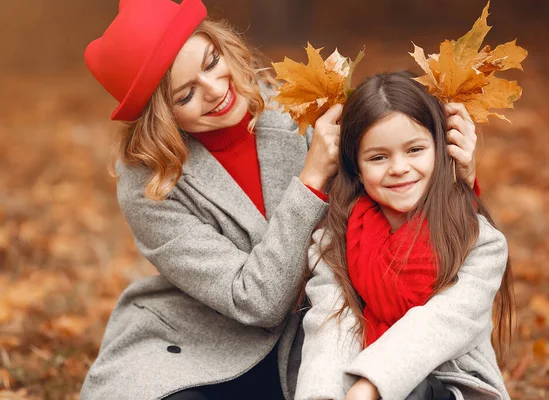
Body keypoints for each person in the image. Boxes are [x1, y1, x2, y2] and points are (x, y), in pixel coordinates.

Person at [80, 0, 479, 398]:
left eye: (211, 61)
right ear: (160, 115)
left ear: (223, 44)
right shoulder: (150, 181)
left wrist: (460, 176)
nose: (217, 90)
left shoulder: (303, 110)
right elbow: (254, 302)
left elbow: (398, 200)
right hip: (200, 341)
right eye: (186, 96)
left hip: (322, 328)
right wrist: (310, 181)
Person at [296, 72, 514, 400]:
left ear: (441, 150)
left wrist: (371, 386)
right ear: (356, 167)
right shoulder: (335, 240)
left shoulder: (477, 241)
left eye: (414, 149)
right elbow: (331, 325)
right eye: (378, 157)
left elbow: (440, 324)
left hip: (452, 387)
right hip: (357, 384)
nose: (398, 167)